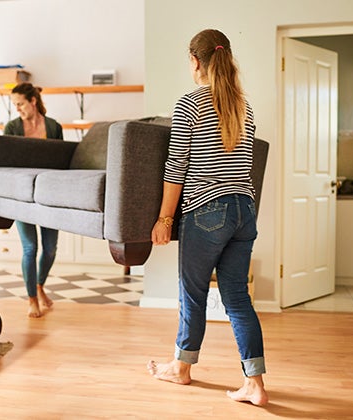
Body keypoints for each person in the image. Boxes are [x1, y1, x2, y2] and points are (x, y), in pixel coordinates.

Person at [146, 29, 268, 406]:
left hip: (207, 211)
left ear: (195, 61)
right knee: (237, 299)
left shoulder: (190, 103)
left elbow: (176, 167)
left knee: (193, 294)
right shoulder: (243, 106)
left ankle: (181, 369)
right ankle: (256, 385)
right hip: (244, 211)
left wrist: (164, 220)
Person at [4, 82, 63, 318]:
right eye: (14, 105)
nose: (17, 109)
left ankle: (39, 285)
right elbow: (5, 161)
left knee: (50, 249)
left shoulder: (53, 127)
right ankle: (31, 299)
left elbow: (62, 160)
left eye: (20, 104)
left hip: (50, 195)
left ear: (33, 101)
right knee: (30, 248)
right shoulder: (12, 127)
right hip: (22, 197)